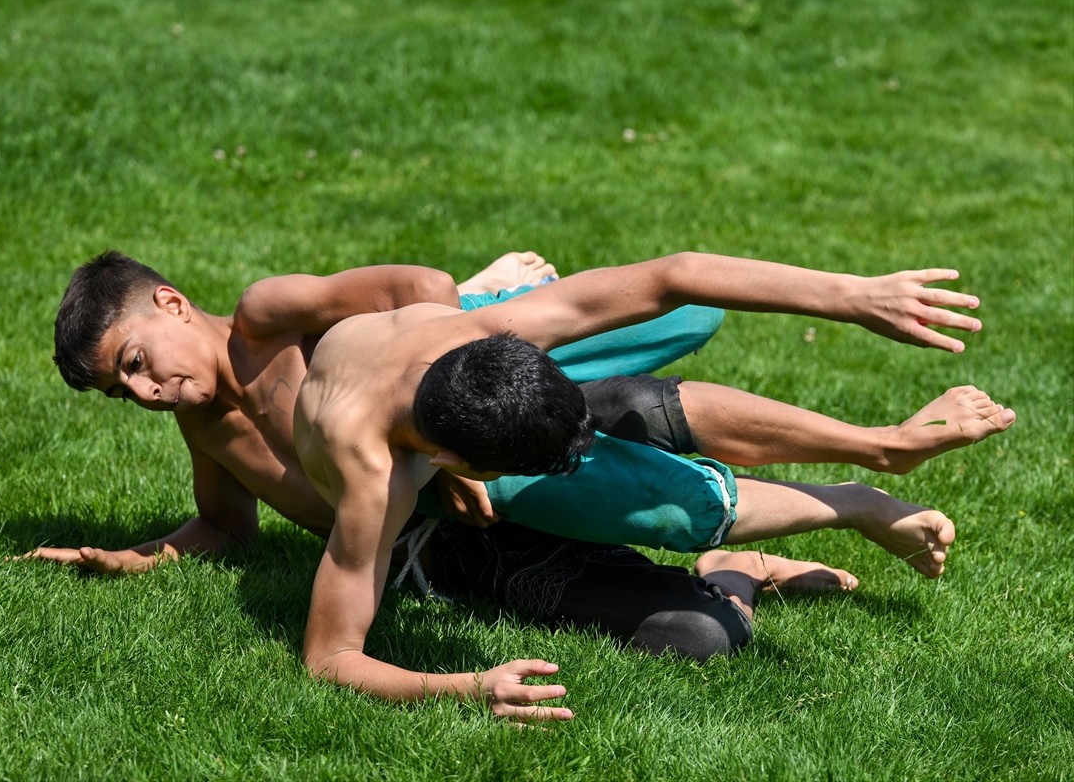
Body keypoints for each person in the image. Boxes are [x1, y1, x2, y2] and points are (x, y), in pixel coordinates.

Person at [291, 251, 1015, 721]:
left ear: (507, 350)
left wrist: (853, 293)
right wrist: (470, 687)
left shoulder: (476, 330)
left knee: (682, 312)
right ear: (449, 458)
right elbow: (329, 657)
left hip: (446, 411)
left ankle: (878, 456)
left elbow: (675, 273)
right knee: (700, 632)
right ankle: (815, 518)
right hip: (448, 533)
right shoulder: (374, 484)